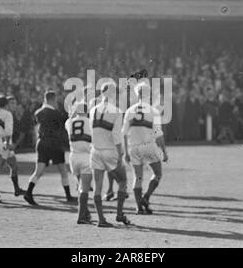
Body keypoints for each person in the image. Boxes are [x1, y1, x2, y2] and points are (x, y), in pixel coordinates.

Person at [122, 82, 168, 215]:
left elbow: (124, 133)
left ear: (137, 94)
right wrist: (164, 152)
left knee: (138, 177)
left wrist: (126, 152)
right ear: (150, 94)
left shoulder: (130, 111)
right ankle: (146, 197)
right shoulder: (153, 111)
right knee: (157, 174)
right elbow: (158, 136)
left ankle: (138, 208)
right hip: (148, 146)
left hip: (134, 147)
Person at [23, 90, 76, 206]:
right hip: (54, 144)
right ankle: (68, 196)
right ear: (53, 99)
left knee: (38, 171)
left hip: (42, 142)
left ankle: (28, 192)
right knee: (63, 171)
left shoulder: (38, 112)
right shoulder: (56, 113)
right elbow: (63, 126)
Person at [89, 82, 130, 227]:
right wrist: (121, 154)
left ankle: (101, 220)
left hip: (95, 151)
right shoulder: (117, 111)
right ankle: (119, 214)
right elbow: (116, 136)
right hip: (110, 151)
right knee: (123, 181)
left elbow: (91, 130)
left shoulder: (93, 109)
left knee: (98, 186)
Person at [65, 102, 93, 224]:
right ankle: (81, 216)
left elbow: (69, 119)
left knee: (80, 187)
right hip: (86, 156)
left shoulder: (69, 122)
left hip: (73, 157)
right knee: (84, 188)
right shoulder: (90, 122)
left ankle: (85, 212)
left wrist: (73, 113)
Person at [4, 96, 26, 196]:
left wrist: (15, 144)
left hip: (6, 144)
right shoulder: (6, 115)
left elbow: (21, 131)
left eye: (15, 103)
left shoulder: (11, 115)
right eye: (12, 103)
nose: (14, 105)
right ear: (6, 104)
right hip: (4, 145)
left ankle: (17, 189)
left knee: (14, 166)